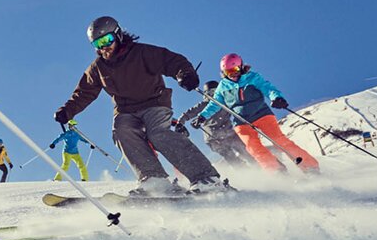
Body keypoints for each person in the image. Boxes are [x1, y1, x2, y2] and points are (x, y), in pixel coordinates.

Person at [54, 16, 226, 195]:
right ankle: (154, 180)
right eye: (97, 44)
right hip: (125, 110)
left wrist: (185, 74)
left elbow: (172, 61)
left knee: (157, 133)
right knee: (122, 131)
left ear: (118, 35)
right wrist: (68, 111)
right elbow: (84, 92)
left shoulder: (141, 52)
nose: (104, 47)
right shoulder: (98, 67)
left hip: (154, 103)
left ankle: (206, 178)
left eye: (107, 40)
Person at [192, 53, 319, 174]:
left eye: (235, 70)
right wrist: (202, 116)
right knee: (253, 148)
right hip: (241, 121)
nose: (233, 74)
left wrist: (276, 98)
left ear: (241, 67)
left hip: (261, 114)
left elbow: (267, 88)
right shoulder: (223, 86)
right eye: (228, 72)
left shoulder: (252, 77)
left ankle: (310, 167)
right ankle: (277, 171)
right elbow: (215, 104)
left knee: (279, 140)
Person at [174, 81, 255, 167]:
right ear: (206, 94)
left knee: (244, 150)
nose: (212, 95)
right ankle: (242, 169)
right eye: (210, 93)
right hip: (213, 137)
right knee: (230, 156)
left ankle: (257, 165)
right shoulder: (204, 105)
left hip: (229, 133)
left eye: (214, 92)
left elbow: (238, 108)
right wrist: (180, 123)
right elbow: (189, 113)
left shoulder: (225, 103)